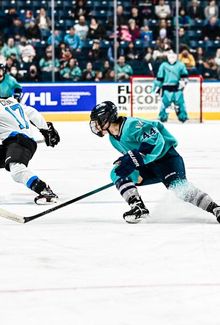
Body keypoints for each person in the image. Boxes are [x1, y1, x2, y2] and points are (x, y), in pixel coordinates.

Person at [89, 101, 220, 224]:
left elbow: (156, 141)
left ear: (107, 118)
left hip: (166, 160)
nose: (95, 125)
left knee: (179, 188)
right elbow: (133, 157)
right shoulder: (113, 139)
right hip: (148, 166)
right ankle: (138, 207)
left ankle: (215, 208)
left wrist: (136, 157)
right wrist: (129, 163)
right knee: (118, 172)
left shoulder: (132, 125)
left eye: (97, 121)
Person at [0, 96, 60, 204]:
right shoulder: (9, 101)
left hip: (18, 141)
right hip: (15, 142)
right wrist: (46, 129)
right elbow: (32, 112)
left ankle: (44, 190)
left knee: (17, 170)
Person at [152, 51, 189, 123]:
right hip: (166, 88)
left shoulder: (180, 65)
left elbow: (185, 76)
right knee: (165, 104)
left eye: (173, 56)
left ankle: (183, 117)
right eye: (170, 56)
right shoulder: (163, 65)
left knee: (180, 104)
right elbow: (160, 77)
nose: (172, 58)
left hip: (177, 88)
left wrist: (182, 84)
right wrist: (156, 86)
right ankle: (163, 117)